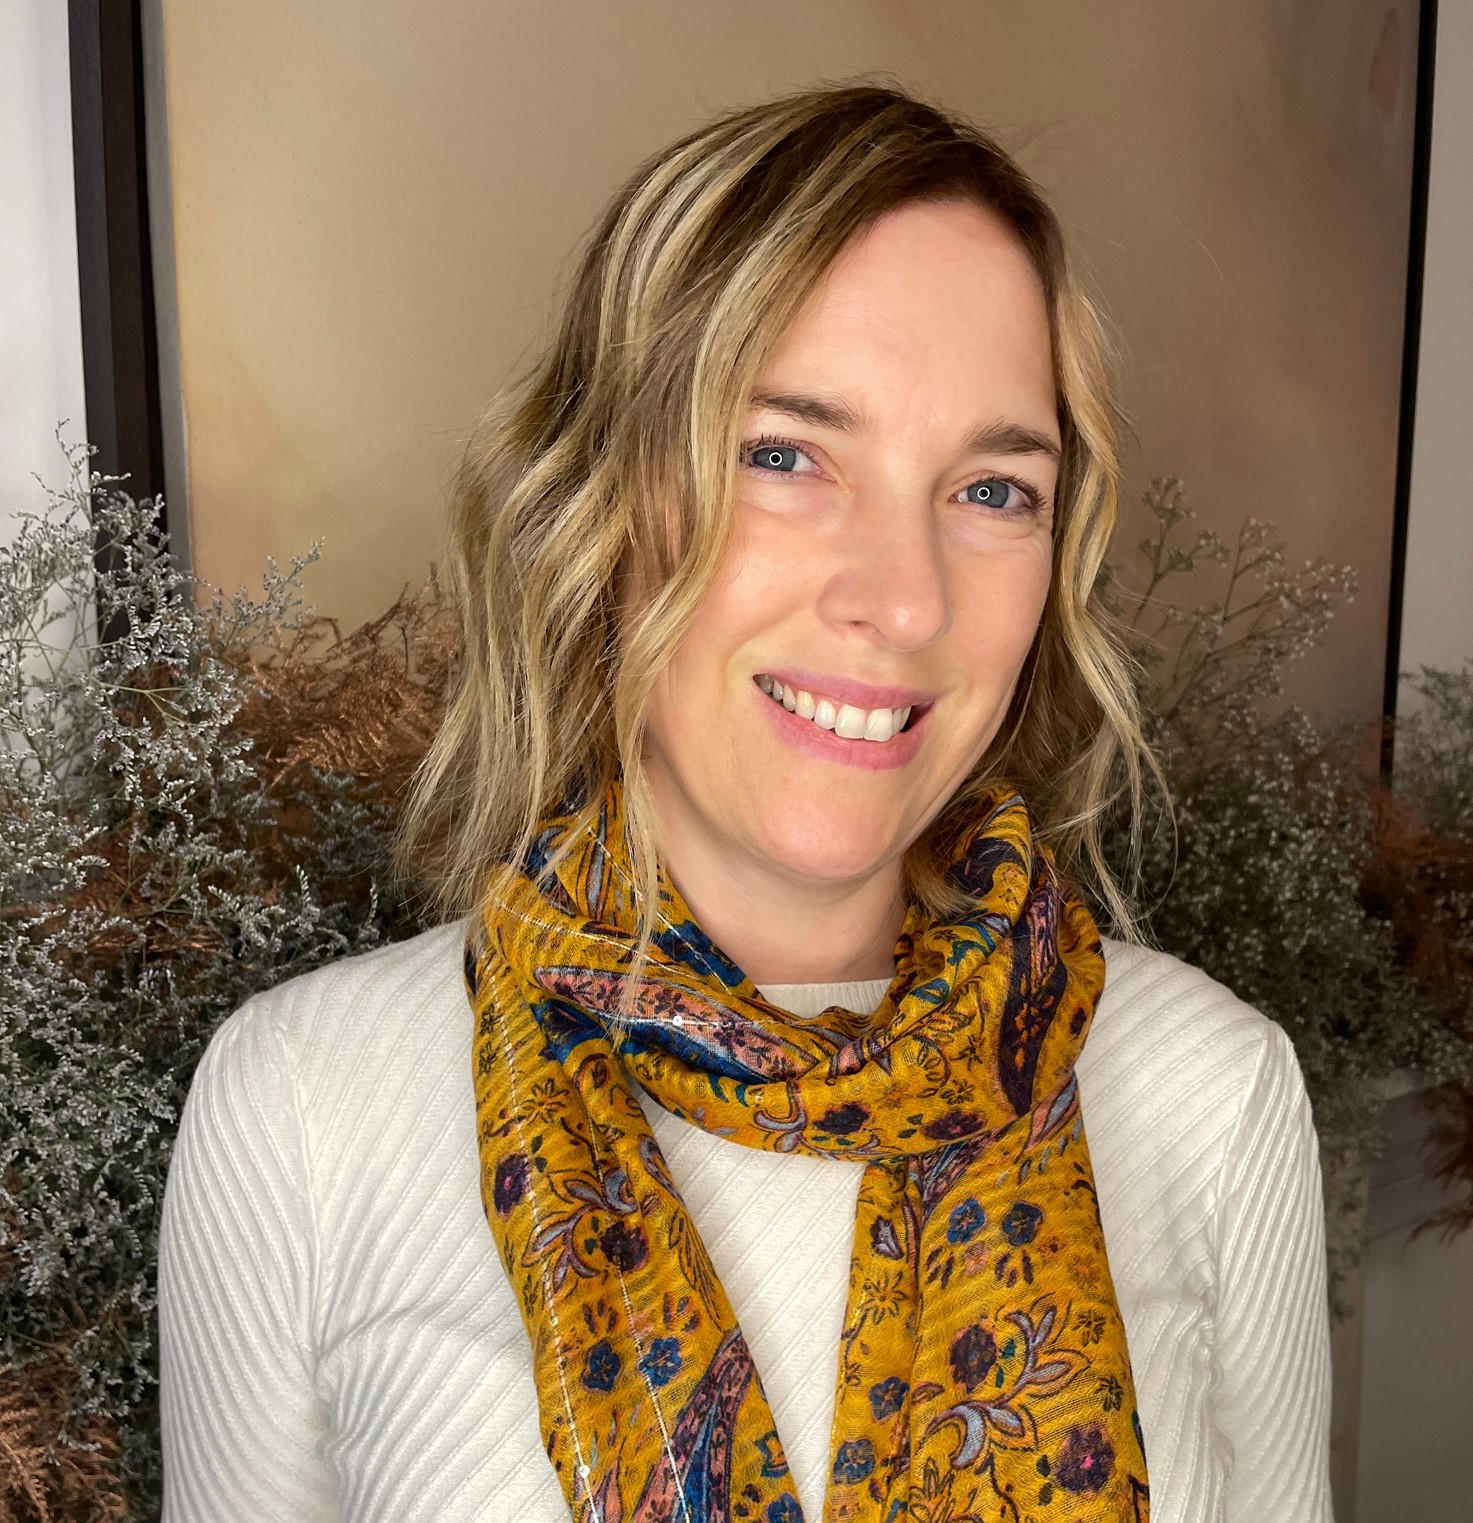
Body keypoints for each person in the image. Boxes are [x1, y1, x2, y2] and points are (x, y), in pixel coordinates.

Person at [157, 85, 1333, 1523]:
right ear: (599, 502)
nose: (903, 601)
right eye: (782, 456)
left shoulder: (1214, 1096)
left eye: (991, 488)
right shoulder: (302, 1107)